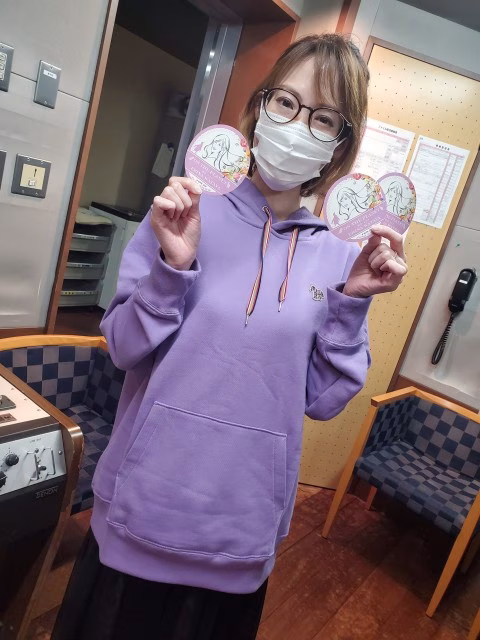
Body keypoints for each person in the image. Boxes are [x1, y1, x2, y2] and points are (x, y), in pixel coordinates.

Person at [53, 34, 407, 640]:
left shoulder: (339, 256)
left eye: (324, 118)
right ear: (261, 105)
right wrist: (173, 267)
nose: (298, 127)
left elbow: (324, 402)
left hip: (241, 529)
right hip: (142, 507)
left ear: (340, 142)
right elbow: (123, 347)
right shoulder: (183, 211)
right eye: (287, 102)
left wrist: (350, 303)